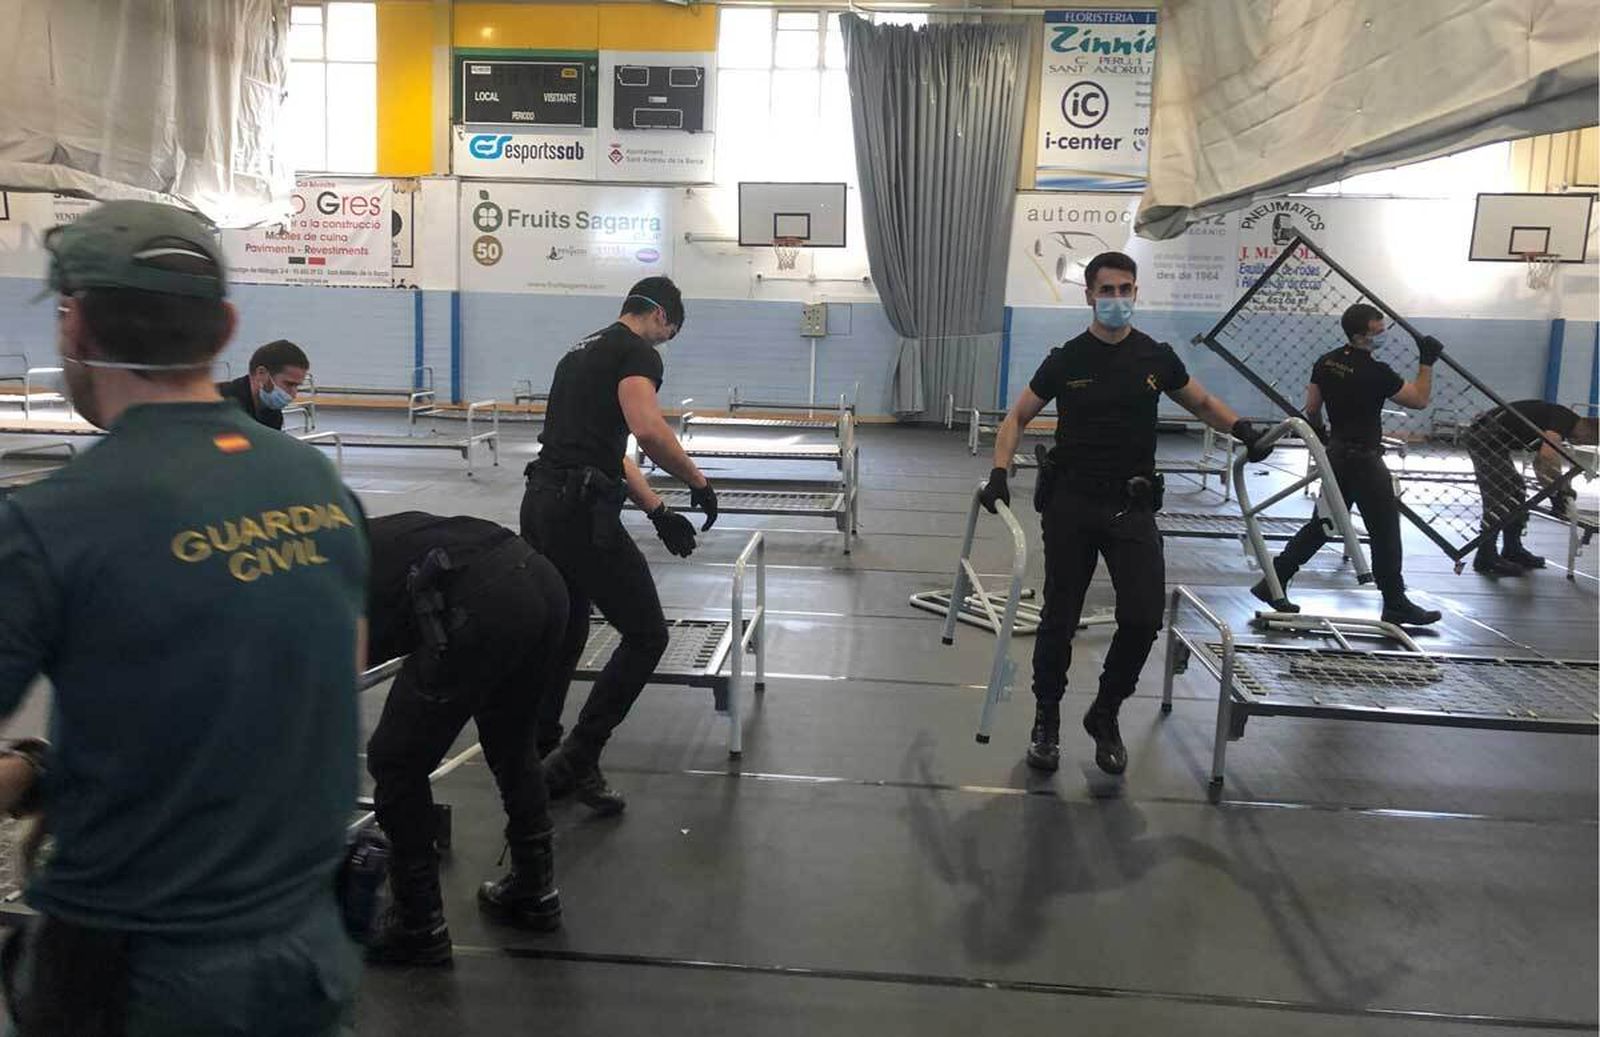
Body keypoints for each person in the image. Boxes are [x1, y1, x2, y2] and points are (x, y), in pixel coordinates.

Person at [0, 201, 368, 1034]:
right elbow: (321, 686)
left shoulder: (54, 519)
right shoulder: (316, 484)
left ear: (75, 326)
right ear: (227, 326)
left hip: (137, 976)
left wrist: (28, 772)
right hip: (308, 953)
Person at [978, 251, 1272, 777]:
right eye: (1107, 290)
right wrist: (1001, 470)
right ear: (1089, 295)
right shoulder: (1067, 359)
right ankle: (1046, 719)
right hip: (1071, 502)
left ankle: (1105, 712)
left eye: (1126, 289)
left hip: (1131, 505)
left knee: (1141, 618)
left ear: (1136, 293)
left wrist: (1243, 429)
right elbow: (1018, 415)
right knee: (1059, 619)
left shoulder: (1155, 359)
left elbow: (1202, 403)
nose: (1117, 299)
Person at [521, 276, 717, 816]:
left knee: (565, 631)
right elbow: (648, 432)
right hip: (579, 515)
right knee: (647, 634)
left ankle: (541, 755)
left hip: (541, 504)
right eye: (667, 333)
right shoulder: (636, 353)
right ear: (659, 315)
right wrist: (698, 482)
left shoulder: (579, 351)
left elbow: (608, 451)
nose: (662, 343)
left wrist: (656, 509)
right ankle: (578, 757)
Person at [362, 511, 569, 968]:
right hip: (539, 578)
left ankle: (418, 924)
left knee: (396, 761)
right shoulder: (346, 538)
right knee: (512, 739)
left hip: (478, 597)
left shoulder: (313, 585)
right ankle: (536, 890)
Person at [1251, 303, 1444, 626]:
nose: (1383, 335)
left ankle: (1274, 580)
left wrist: (1321, 432)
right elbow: (1419, 400)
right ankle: (1394, 601)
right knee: (1384, 531)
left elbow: (1312, 407)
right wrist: (1426, 362)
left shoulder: (1326, 362)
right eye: (1378, 331)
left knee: (1323, 524)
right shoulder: (1377, 372)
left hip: (1336, 455)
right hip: (1366, 462)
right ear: (1361, 334)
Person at [1462, 400, 1597, 574]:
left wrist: (1555, 492)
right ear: (1591, 433)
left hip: (1491, 439)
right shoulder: (1564, 419)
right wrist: (1561, 492)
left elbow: (1540, 464)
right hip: (1485, 438)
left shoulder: (1557, 423)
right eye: (1592, 441)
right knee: (1500, 495)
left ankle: (1512, 549)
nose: (1581, 443)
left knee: (1517, 492)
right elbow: (1548, 457)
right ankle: (1485, 557)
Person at [218, 338, 310, 430]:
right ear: (261, 373)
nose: (293, 395)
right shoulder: (217, 405)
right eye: (289, 384)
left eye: (297, 386)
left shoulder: (273, 415)